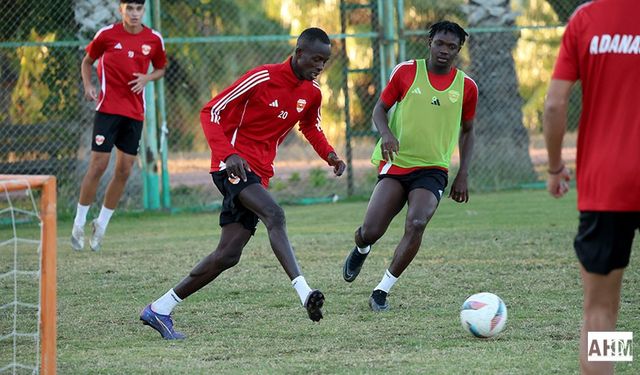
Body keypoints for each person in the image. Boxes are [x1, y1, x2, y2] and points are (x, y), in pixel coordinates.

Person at [140, 27, 346, 339]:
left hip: (259, 174)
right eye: (315, 59)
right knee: (274, 215)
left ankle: (159, 309)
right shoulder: (262, 77)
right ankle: (304, 293)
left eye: (325, 61)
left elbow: (310, 127)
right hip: (232, 166)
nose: (320, 66)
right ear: (299, 53)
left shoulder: (312, 93)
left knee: (228, 254)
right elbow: (210, 111)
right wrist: (228, 154)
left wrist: (330, 155)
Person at [342, 21, 478, 311]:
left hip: (433, 169)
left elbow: (468, 130)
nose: (444, 50)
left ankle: (381, 290)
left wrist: (462, 173)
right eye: (440, 43)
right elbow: (379, 108)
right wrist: (387, 134)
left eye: (451, 47)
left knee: (417, 223)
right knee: (371, 230)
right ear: (429, 42)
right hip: (397, 162)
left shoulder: (466, 87)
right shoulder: (406, 72)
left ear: (459, 50)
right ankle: (361, 247)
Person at [542, 1, 640, 373]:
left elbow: (554, 104)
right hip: (609, 185)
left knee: (603, 309)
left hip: (607, 182)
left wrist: (554, 167)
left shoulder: (587, 19)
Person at [70, 0, 167, 251]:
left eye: (139, 9)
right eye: (130, 9)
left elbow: (160, 68)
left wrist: (147, 77)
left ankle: (100, 225)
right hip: (107, 110)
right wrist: (89, 86)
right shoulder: (106, 35)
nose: (134, 14)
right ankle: (78, 224)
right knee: (98, 165)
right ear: (120, 10)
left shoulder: (153, 39)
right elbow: (86, 62)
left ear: (143, 11)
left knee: (124, 170)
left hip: (134, 113)